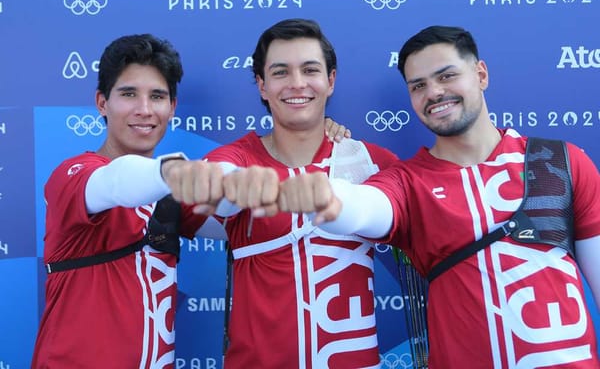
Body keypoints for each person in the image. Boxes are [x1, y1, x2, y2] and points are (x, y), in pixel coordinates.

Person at [269, 26, 600, 368]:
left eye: (447, 76)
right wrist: (325, 195)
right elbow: (366, 207)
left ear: (480, 74)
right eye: (419, 86)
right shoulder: (408, 180)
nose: (435, 92)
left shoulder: (561, 161)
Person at [31, 33, 350, 368]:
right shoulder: (76, 175)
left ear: (172, 108)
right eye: (128, 94)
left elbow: (253, 224)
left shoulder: (171, 197)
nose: (144, 109)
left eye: (157, 96)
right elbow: (116, 181)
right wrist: (177, 174)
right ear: (101, 103)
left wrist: (313, 135)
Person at [201, 18, 399, 368]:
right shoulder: (237, 158)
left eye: (310, 70)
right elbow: (215, 181)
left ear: (330, 80)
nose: (297, 84)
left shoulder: (371, 162)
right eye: (280, 72)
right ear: (262, 86)